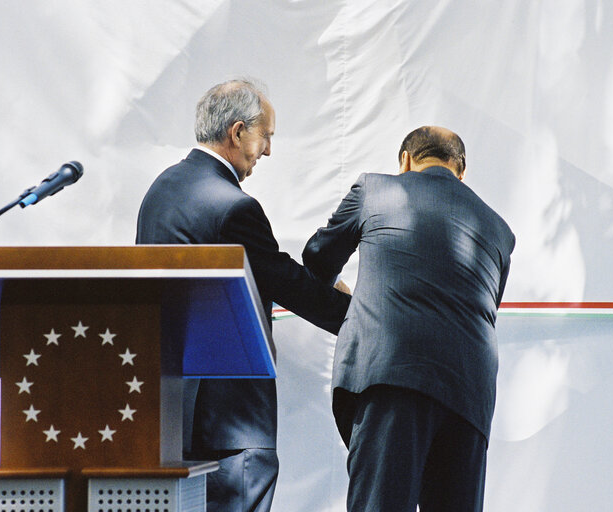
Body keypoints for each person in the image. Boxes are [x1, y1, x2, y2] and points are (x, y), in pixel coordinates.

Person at [135, 79, 351, 512]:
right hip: (230, 423)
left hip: (168, 412)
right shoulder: (234, 207)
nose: (267, 150)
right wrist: (362, 314)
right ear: (237, 132)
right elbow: (283, 281)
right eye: (265, 136)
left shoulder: (159, 192)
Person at [302, 126, 515, 511]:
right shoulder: (499, 230)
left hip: (393, 378)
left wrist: (346, 295)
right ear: (460, 170)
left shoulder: (374, 189)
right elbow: (486, 306)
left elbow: (318, 257)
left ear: (406, 160)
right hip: (470, 393)